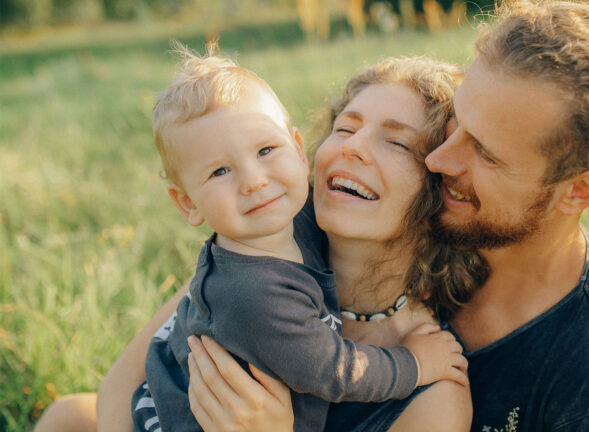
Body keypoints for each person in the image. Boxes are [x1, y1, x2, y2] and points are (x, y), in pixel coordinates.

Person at [152, 1, 589, 431]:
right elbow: (130, 383)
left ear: (578, 191)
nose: (442, 160)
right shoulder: (295, 230)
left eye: (485, 152)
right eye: (454, 126)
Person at [34, 56, 484, 432]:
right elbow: (122, 384)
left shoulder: (435, 391)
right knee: (67, 416)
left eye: (397, 143)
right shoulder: (259, 253)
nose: (353, 147)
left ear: (441, 187)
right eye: (345, 129)